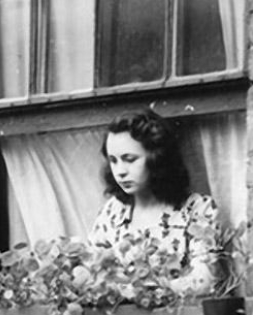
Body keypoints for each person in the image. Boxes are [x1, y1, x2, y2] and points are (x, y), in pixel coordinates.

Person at [87, 109, 219, 298]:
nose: (120, 171)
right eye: (113, 161)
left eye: (129, 159)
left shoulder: (197, 210)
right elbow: (94, 276)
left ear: (157, 158)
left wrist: (141, 289)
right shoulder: (112, 213)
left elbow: (203, 281)